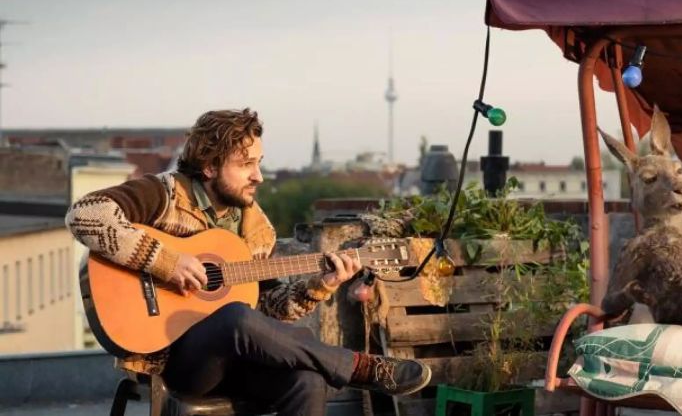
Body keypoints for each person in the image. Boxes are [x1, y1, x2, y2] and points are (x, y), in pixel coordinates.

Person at [66, 108, 431, 416]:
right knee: (233, 318)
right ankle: (356, 366)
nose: (258, 175)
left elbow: (270, 315)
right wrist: (166, 262)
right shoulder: (163, 194)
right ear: (209, 167)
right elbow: (85, 215)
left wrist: (324, 283)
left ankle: (343, 367)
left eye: (259, 163)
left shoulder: (256, 228)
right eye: (246, 165)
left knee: (307, 379)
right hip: (173, 359)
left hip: (234, 364)